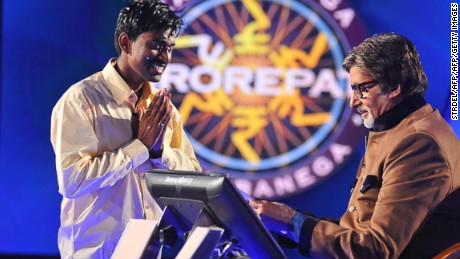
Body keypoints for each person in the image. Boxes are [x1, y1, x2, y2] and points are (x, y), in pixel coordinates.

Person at [250, 33, 460, 258]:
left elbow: (375, 250)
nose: (353, 101)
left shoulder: (417, 143)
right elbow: (357, 228)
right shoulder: (399, 128)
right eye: (352, 89)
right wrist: (283, 224)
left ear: (394, 87)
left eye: (362, 89)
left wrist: (290, 223)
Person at [50, 1, 201, 258]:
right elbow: (73, 181)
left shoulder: (163, 108)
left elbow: (195, 179)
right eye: (155, 46)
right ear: (125, 43)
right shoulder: (82, 100)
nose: (164, 57)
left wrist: (158, 153)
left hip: (150, 252)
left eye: (169, 48)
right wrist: (139, 148)